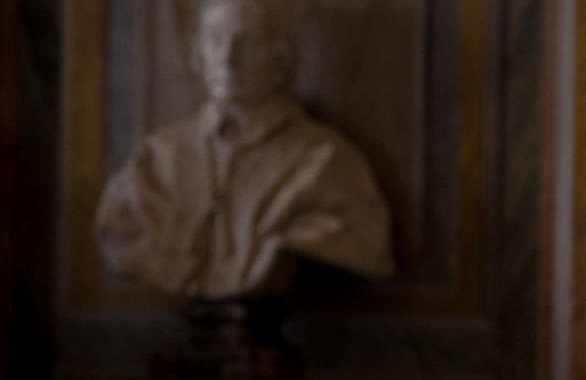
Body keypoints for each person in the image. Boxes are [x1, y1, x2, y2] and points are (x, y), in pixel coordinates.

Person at [95, 0, 393, 299]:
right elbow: (118, 230)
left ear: (281, 59)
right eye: (216, 39)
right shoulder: (157, 155)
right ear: (198, 54)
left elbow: (363, 239)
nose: (229, 59)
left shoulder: (325, 157)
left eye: (250, 42)